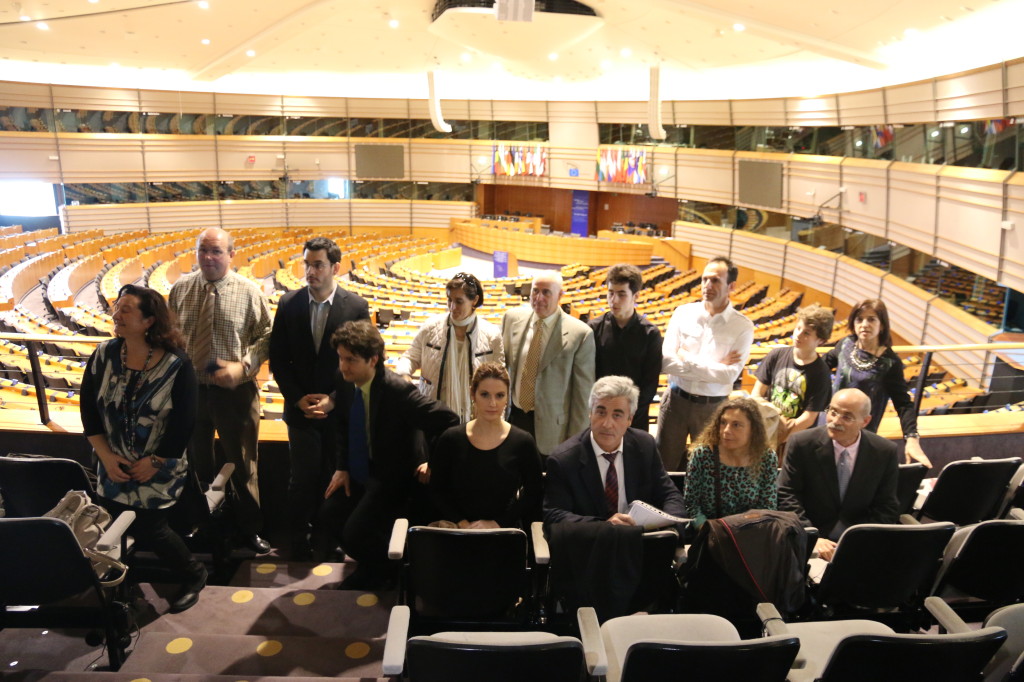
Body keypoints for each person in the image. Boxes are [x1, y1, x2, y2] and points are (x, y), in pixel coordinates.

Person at [80, 284, 204, 613]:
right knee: (111, 520)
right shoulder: (103, 354)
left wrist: (156, 461)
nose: (116, 315)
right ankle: (121, 583)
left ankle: (194, 574)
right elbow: (89, 412)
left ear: (149, 321)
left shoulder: (177, 365)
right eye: (116, 308)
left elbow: (184, 422)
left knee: (152, 527)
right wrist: (106, 457)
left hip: (160, 465)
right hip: (112, 463)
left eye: (126, 310)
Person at [318, 320, 459, 589]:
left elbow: (449, 421)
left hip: (391, 478)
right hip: (359, 470)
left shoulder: (399, 391)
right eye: (340, 358)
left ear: (373, 360)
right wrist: (342, 466)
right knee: (329, 515)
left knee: (355, 531)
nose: (343, 366)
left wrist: (433, 462)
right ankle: (378, 566)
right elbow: (343, 427)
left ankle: (384, 571)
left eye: (350, 360)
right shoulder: (345, 381)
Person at [168, 227, 273, 554]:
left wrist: (244, 366)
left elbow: (266, 336)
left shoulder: (249, 291)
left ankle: (249, 528)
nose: (209, 258)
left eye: (216, 252)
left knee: (242, 466)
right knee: (197, 463)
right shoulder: (180, 289)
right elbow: (171, 335)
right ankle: (206, 526)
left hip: (235, 394)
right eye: (203, 251)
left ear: (231, 255)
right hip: (191, 392)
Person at [269, 236, 369, 559]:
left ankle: (329, 540)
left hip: (338, 412)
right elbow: (279, 360)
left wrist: (333, 400)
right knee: (302, 480)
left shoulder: (355, 306)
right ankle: (297, 541)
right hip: (300, 412)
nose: (310, 271)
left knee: (335, 477)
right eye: (307, 264)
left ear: (335, 267)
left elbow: (362, 363)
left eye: (318, 265)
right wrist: (298, 399)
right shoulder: (288, 304)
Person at [777, 388, 899, 561]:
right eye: (833, 412)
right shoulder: (802, 443)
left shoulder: (884, 451)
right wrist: (811, 536)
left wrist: (858, 539)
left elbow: (887, 505)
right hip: (809, 538)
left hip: (858, 540)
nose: (835, 421)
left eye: (847, 417)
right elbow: (787, 495)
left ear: (865, 421)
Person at [544, 376, 685, 526]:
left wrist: (671, 525)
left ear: (629, 419)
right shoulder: (564, 460)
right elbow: (555, 515)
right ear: (590, 413)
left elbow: (670, 495)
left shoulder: (644, 445)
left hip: (639, 539)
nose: (607, 424)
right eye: (600, 412)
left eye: (617, 415)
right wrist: (607, 526)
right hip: (593, 542)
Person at [657, 256, 754, 471]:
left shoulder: (742, 326)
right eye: (704, 279)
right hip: (675, 401)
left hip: (713, 407)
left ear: (731, 286)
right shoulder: (683, 313)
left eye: (715, 280)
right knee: (665, 465)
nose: (707, 285)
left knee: (707, 470)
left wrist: (686, 358)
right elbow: (665, 363)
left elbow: (729, 376)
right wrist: (714, 366)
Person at [429, 362, 542, 529]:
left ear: (507, 397)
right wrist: (462, 523)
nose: (493, 403)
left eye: (500, 395)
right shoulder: (450, 439)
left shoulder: (523, 442)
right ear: (472, 394)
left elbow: (534, 491)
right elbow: (437, 490)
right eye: (485, 395)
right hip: (456, 532)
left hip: (504, 533)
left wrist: (498, 523)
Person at [824, 298, 930, 467]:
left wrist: (911, 438)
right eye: (859, 319)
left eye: (871, 319)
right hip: (830, 424)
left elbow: (903, 404)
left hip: (859, 435)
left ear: (882, 325)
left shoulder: (890, 362)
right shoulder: (846, 344)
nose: (864, 324)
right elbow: (823, 365)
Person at [502, 271, 595, 455]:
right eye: (535, 291)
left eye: (546, 292)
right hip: (514, 419)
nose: (539, 298)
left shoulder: (580, 333)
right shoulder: (512, 318)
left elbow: (582, 396)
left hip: (553, 431)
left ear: (560, 295)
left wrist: (575, 441)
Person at [396, 272, 503, 423]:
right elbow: (410, 357)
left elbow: (500, 381)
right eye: (449, 300)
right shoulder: (430, 328)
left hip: (475, 418)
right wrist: (403, 375)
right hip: (434, 414)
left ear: (475, 300)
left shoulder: (492, 335)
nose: (452, 307)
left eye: (459, 301)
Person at [683, 397, 778, 529]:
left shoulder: (767, 458)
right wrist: (709, 532)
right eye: (723, 422)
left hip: (750, 533)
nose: (726, 430)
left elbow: (768, 507)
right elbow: (691, 505)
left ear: (753, 430)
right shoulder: (703, 455)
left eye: (736, 425)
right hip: (709, 533)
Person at [588, 264, 662, 431]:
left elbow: (649, 384)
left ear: (635, 296)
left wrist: (625, 415)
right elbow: (588, 376)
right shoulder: (593, 329)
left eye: (621, 294)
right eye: (610, 293)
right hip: (600, 415)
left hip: (633, 419)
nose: (613, 300)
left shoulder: (651, 334)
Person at [752, 303, 834, 447]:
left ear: (820, 340)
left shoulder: (821, 372)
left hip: (794, 439)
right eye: (798, 328)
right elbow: (756, 394)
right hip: (767, 429)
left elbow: (809, 417)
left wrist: (780, 435)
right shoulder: (776, 355)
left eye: (807, 333)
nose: (798, 335)